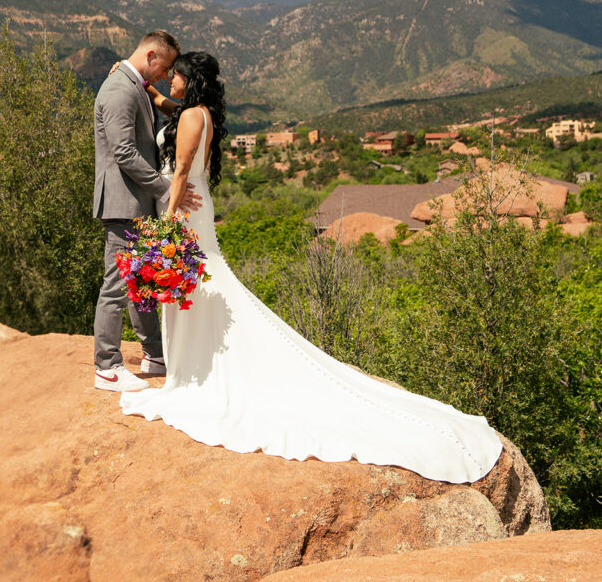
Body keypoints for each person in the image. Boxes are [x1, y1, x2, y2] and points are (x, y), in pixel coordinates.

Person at [118, 52, 503, 483]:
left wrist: (168, 220)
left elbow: (183, 167)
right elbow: (174, 113)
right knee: (205, 284)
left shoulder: (190, 118)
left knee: (196, 284)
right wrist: (141, 83)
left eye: (175, 76)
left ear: (191, 81)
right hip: (199, 206)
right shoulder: (198, 112)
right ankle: (196, 358)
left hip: (185, 207)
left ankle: (197, 366)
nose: (169, 81)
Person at [92, 29, 200, 393]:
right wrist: (167, 189)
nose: (165, 77)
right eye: (165, 67)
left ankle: (153, 353)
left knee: (141, 284)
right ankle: (106, 366)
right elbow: (123, 151)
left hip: (136, 201)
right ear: (151, 55)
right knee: (116, 287)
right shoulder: (119, 89)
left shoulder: (132, 84)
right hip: (123, 201)